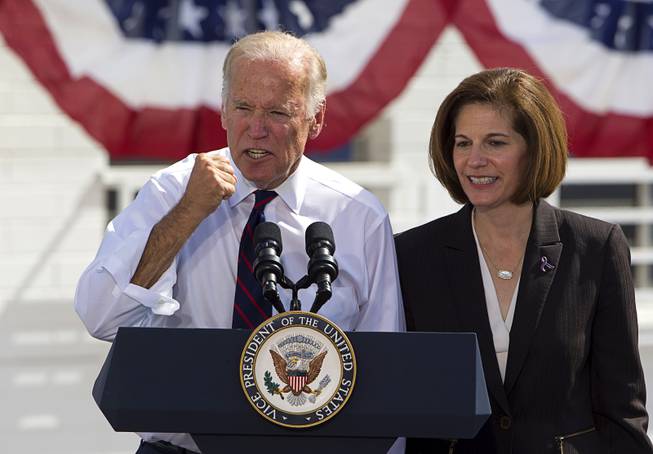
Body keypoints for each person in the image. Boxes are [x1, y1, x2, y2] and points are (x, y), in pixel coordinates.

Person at [75, 31, 405, 454]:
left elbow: (388, 369)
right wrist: (188, 213)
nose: (257, 128)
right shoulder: (172, 191)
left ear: (316, 119)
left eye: (278, 112)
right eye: (243, 108)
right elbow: (99, 316)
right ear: (224, 113)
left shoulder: (358, 215)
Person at [395, 67, 652, 453]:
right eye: (463, 143)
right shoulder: (411, 254)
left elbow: (622, 412)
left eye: (495, 143)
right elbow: (403, 402)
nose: (474, 160)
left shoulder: (597, 247)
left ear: (535, 148)